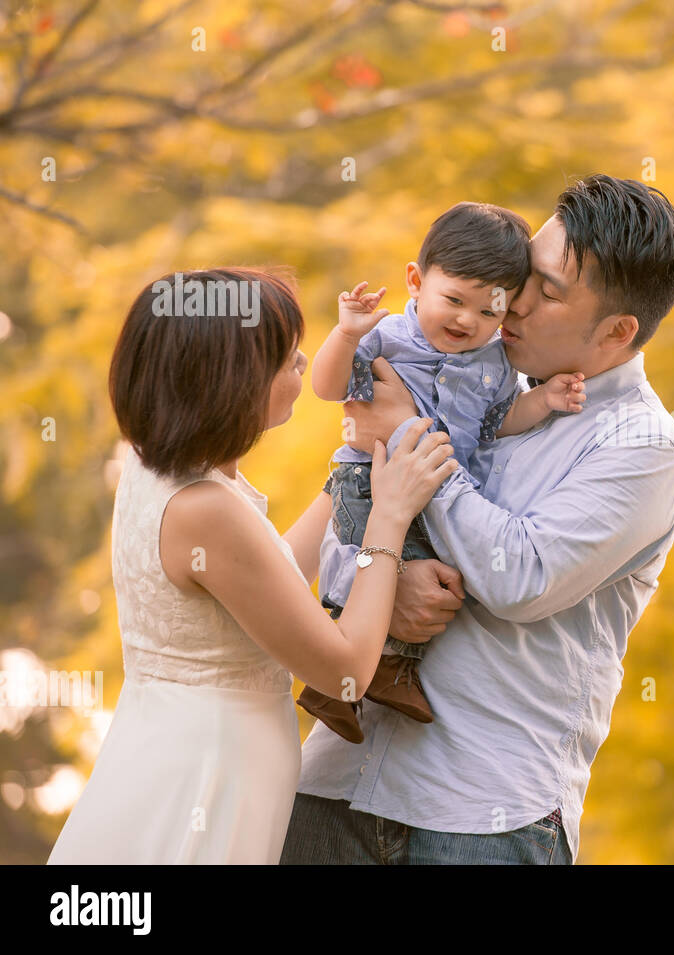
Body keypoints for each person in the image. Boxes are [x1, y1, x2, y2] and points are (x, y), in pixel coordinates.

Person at [280, 174, 674, 865]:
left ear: (618, 331)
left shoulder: (641, 448)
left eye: (548, 291)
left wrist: (412, 434)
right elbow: (319, 538)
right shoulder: (454, 370)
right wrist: (383, 578)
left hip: (481, 818)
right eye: (523, 275)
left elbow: (521, 576)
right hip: (335, 782)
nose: (513, 300)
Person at [47, 268, 455, 864]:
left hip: (175, 753)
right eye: (288, 358)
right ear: (232, 382)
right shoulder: (204, 508)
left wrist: (353, 475)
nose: (304, 363)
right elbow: (345, 671)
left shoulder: (162, 467)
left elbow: (265, 585)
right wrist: (389, 518)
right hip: (205, 780)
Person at [300, 202, 586, 742]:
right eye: (453, 300)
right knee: (386, 568)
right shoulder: (388, 337)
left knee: (436, 575)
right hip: (371, 477)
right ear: (416, 280)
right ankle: (339, 664)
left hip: (437, 490)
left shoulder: (496, 362)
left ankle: (380, 673)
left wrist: (544, 399)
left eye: (488, 313)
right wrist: (344, 336)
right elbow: (328, 388)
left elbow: (497, 424)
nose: (465, 321)